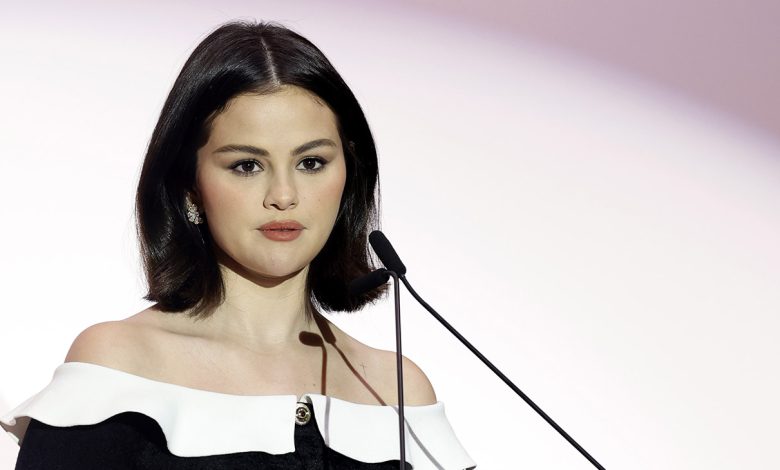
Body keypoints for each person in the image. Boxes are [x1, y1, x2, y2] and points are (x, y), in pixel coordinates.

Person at [0, 21, 476, 469]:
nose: (284, 196)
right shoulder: (118, 365)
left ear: (348, 175)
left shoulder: (397, 390)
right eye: (247, 165)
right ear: (189, 184)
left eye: (311, 162)